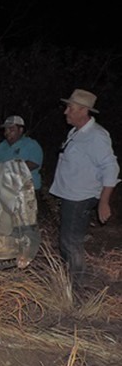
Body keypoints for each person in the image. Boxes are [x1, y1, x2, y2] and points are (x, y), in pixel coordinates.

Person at [50, 89, 120, 282]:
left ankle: (77, 287)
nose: (66, 112)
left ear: (83, 110)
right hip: (71, 194)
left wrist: (104, 201)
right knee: (67, 241)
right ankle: (72, 280)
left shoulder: (96, 136)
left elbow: (111, 168)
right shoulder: (76, 132)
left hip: (80, 197)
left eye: (70, 108)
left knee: (71, 243)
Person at [0, 115, 44, 191]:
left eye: (11, 129)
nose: (7, 132)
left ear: (20, 130)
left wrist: (3, 169)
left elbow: (32, 165)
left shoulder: (31, 145)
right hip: (4, 188)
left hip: (26, 189)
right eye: (5, 130)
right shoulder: (3, 145)